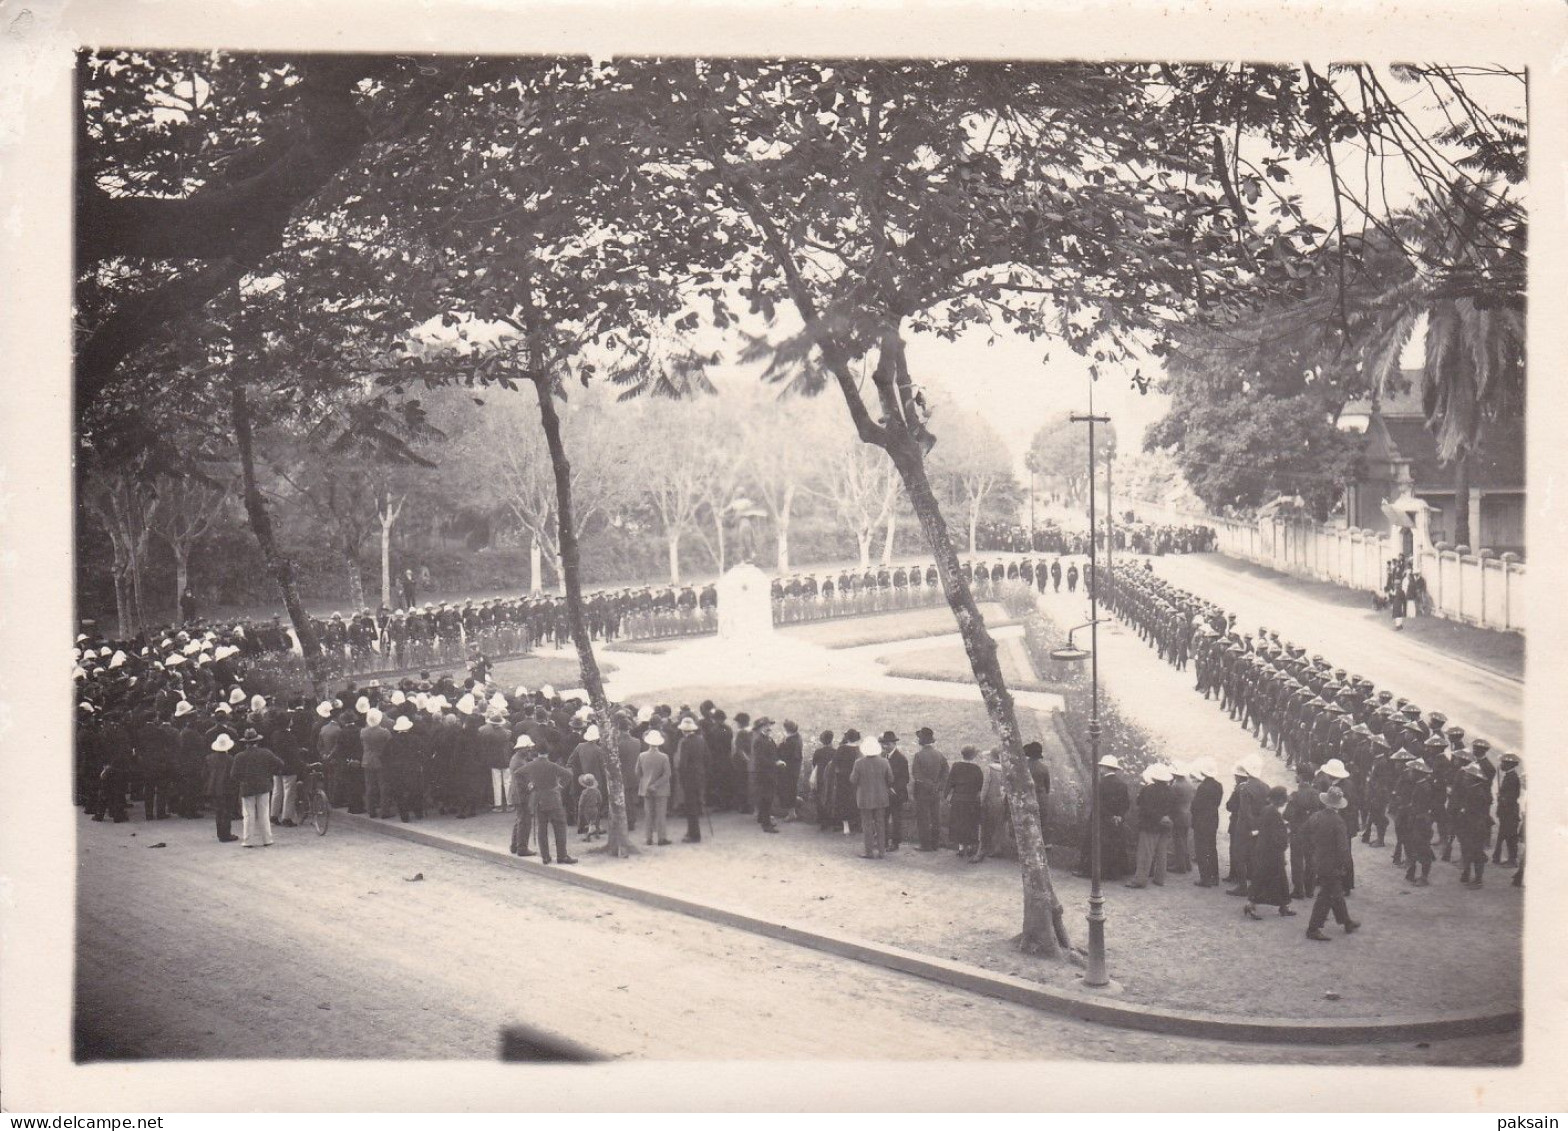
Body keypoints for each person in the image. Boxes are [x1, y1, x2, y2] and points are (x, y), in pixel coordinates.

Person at [1304, 786, 1360, 941]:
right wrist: (1345, 865)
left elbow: (1306, 834)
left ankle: (1346, 921)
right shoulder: (1338, 821)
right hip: (1332, 864)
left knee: (1336, 892)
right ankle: (1313, 928)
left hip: (1318, 859)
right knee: (1326, 895)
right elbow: (1343, 847)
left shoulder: (1316, 816)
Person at [1243, 785, 1295, 919]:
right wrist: (1285, 835)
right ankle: (1252, 904)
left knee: (1269, 878)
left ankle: (1282, 905)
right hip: (1271, 852)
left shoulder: (1267, 810)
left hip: (1264, 849)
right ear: (1280, 800)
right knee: (1269, 879)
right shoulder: (1274, 813)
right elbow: (1277, 835)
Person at [231, 728, 284, 849]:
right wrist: (269, 773)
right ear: (257, 741)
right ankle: (267, 839)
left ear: (246, 742)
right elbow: (280, 764)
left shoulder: (240, 756)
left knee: (248, 814)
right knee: (264, 813)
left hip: (247, 787)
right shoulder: (266, 753)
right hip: (264, 785)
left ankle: (248, 840)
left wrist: (242, 780)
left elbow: (233, 774)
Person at [523, 747, 576, 865]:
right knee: (560, 827)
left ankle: (545, 857)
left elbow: (518, 774)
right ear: (547, 753)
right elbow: (568, 774)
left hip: (539, 799)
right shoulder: (552, 765)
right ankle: (562, 855)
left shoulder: (531, 765)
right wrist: (560, 785)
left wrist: (529, 785)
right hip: (553, 799)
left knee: (542, 828)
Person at [1126, 764, 1175, 888]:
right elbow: (1173, 808)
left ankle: (1140, 880)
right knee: (1162, 852)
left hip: (1150, 825)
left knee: (1145, 853)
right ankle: (1160, 878)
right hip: (1165, 825)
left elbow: (1143, 806)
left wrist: (1158, 817)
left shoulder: (1149, 789)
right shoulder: (1170, 791)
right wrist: (1166, 817)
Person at [850, 734, 893, 859]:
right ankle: (882, 851)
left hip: (864, 798)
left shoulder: (858, 763)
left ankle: (869, 852)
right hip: (881, 797)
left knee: (867, 825)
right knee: (881, 824)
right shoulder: (884, 762)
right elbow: (890, 778)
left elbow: (853, 779)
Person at [910, 727, 949, 851]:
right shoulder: (939, 755)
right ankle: (935, 844)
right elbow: (946, 773)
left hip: (922, 791)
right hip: (936, 791)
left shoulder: (918, 756)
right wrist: (938, 786)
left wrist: (927, 784)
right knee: (935, 817)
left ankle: (925, 845)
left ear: (921, 741)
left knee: (923, 818)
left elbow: (916, 774)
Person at [944, 745, 985, 860]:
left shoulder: (956, 766)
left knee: (959, 823)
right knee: (971, 824)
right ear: (973, 756)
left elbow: (949, 782)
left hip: (958, 800)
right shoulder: (977, 769)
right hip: (971, 801)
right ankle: (971, 847)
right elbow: (980, 786)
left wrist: (946, 796)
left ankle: (961, 848)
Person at [674, 715, 708, 843]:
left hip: (689, 777)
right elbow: (707, 758)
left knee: (690, 806)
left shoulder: (685, 742)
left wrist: (682, 778)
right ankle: (692, 831)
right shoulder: (701, 740)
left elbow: (683, 763)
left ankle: (694, 834)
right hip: (699, 775)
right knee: (696, 803)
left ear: (683, 730)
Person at [637, 730, 672, 846]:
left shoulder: (642, 756)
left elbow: (637, 772)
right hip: (661, 789)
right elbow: (667, 774)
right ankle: (662, 838)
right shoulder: (664, 757)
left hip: (646, 789)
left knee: (648, 815)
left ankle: (648, 838)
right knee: (661, 815)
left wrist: (646, 781)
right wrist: (656, 785)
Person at [1190, 763, 1223, 887]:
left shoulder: (1203, 787)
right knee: (1212, 848)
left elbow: (1196, 806)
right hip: (1213, 819)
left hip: (1201, 821)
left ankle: (1205, 878)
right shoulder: (1218, 786)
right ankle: (1215, 876)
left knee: (1201, 850)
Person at [205, 732, 240, 843]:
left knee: (219, 811)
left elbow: (204, 774)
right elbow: (234, 774)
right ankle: (226, 834)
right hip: (227, 788)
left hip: (214, 787)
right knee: (227, 811)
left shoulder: (209, 758)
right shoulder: (231, 759)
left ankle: (220, 833)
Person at [750, 717, 782, 833]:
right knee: (766, 798)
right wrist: (775, 763)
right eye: (766, 726)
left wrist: (778, 760)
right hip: (764, 774)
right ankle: (766, 824)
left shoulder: (769, 739)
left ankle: (762, 818)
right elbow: (760, 759)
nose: (769, 728)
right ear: (760, 728)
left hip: (770, 773)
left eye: (769, 726)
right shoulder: (759, 741)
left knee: (767, 797)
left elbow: (774, 753)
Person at [508, 735, 536, 856]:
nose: (530, 750)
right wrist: (532, 786)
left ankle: (515, 845)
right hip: (522, 795)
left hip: (516, 793)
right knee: (525, 821)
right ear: (522, 748)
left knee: (519, 820)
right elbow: (524, 782)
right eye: (528, 748)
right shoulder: (520, 762)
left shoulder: (516, 758)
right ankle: (522, 847)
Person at [882, 731, 909, 851]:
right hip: (884, 793)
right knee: (883, 817)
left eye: (887, 744)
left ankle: (895, 842)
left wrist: (894, 789)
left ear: (894, 744)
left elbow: (905, 778)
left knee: (896, 818)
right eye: (883, 744)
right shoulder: (882, 756)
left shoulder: (901, 758)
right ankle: (884, 841)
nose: (885, 746)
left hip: (896, 794)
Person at [578, 775, 604, 841]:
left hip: (586, 809)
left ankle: (588, 836)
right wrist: (598, 806)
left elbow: (581, 802)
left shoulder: (584, 792)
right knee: (595, 821)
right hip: (595, 808)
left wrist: (580, 809)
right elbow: (600, 800)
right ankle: (597, 834)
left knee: (589, 822)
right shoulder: (597, 791)